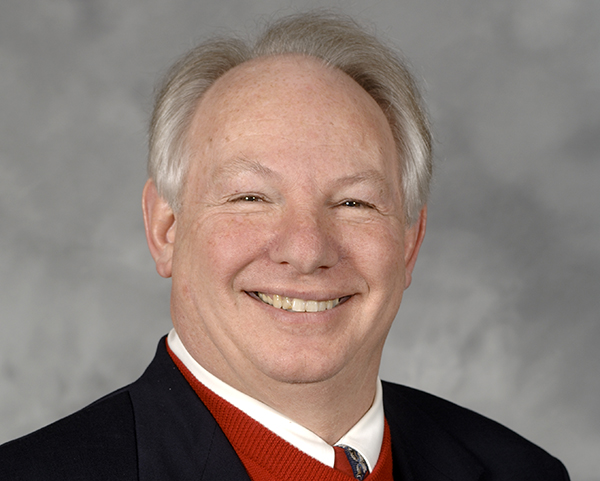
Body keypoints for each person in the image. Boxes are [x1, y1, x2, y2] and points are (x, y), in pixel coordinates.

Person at [0, 12, 569, 480]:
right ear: (166, 229)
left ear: (409, 244)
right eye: (250, 197)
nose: (306, 248)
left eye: (354, 202)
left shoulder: (524, 472)